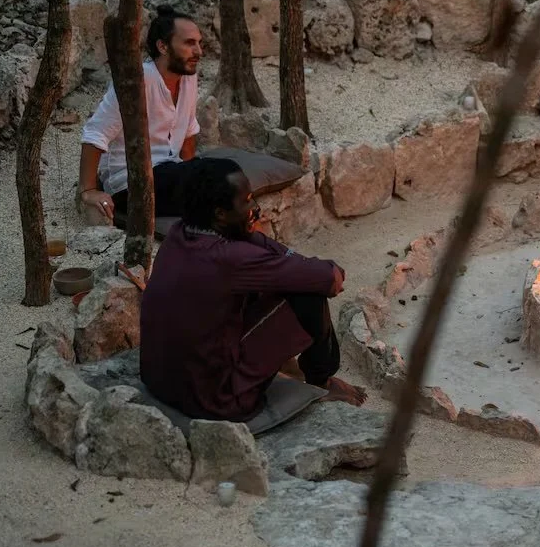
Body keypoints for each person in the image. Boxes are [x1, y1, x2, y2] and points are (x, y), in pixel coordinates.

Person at [140, 156, 369, 421]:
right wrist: (316, 267)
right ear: (220, 213)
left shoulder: (179, 233)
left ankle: (287, 366)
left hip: (159, 382)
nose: (255, 207)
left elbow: (270, 256)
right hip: (216, 400)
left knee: (275, 282)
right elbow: (329, 278)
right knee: (308, 295)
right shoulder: (232, 258)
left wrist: (255, 237)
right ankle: (322, 381)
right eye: (247, 200)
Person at [78, 5, 203, 224]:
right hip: (131, 182)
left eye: (199, 43)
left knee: (225, 174)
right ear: (163, 46)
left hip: (170, 170)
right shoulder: (138, 79)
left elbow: (189, 130)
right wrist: (88, 190)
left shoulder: (188, 77)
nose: (198, 51)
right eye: (189, 43)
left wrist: (191, 169)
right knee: (216, 187)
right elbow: (95, 132)